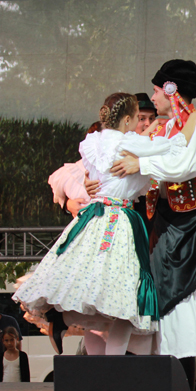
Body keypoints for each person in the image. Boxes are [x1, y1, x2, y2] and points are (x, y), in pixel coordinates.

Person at [14, 92, 185, 356]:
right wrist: (174, 121)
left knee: (97, 292)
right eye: (138, 117)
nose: (142, 123)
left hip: (93, 220)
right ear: (127, 120)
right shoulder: (132, 143)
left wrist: (89, 182)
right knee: (123, 302)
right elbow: (177, 146)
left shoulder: (93, 142)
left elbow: (90, 173)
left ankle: (78, 335)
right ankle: (110, 363)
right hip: (117, 222)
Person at [109, 60, 196, 391]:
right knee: (162, 297)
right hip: (166, 221)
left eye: (156, 90)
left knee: (184, 297)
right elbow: (134, 159)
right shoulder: (165, 129)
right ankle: (167, 381)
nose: (153, 97)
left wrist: (141, 163)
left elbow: (186, 166)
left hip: (193, 222)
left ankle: (185, 383)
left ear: (171, 90)